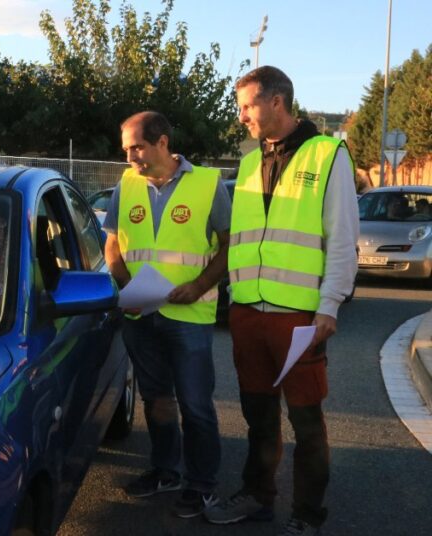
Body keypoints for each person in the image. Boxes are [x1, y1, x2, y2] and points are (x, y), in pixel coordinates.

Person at [204, 66, 359, 536]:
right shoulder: (250, 161)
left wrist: (330, 304)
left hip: (299, 315)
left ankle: (307, 515)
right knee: (258, 416)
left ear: (277, 102)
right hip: (248, 311)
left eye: (247, 106)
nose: (241, 116)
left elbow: (342, 238)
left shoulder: (328, 154)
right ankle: (258, 496)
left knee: (307, 422)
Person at [103, 111, 229, 518]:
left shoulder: (208, 184)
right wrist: (127, 287)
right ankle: (165, 470)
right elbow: (113, 246)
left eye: (136, 147)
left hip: (189, 315)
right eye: (126, 150)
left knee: (195, 405)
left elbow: (229, 247)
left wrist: (200, 286)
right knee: (156, 399)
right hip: (141, 312)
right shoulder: (127, 184)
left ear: (162, 143)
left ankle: (202, 484)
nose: (130, 158)